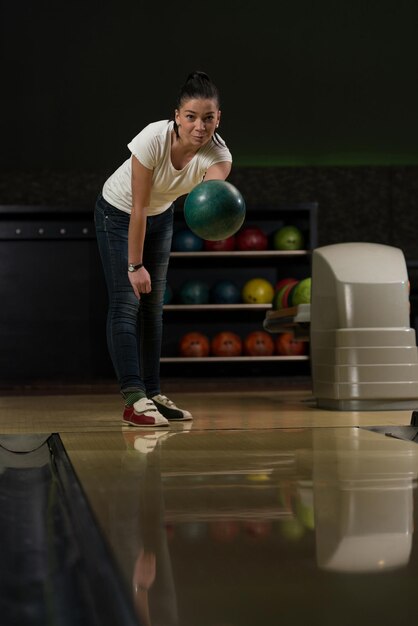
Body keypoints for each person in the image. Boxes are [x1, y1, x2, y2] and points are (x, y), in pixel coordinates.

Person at [94, 71, 232, 427]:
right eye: (191, 116)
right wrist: (133, 265)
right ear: (177, 116)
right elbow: (137, 207)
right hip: (118, 212)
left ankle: (153, 393)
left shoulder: (219, 156)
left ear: (219, 118)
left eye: (208, 117)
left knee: (154, 307)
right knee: (127, 302)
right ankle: (134, 398)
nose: (199, 126)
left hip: (161, 216)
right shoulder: (151, 140)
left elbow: (210, 202)